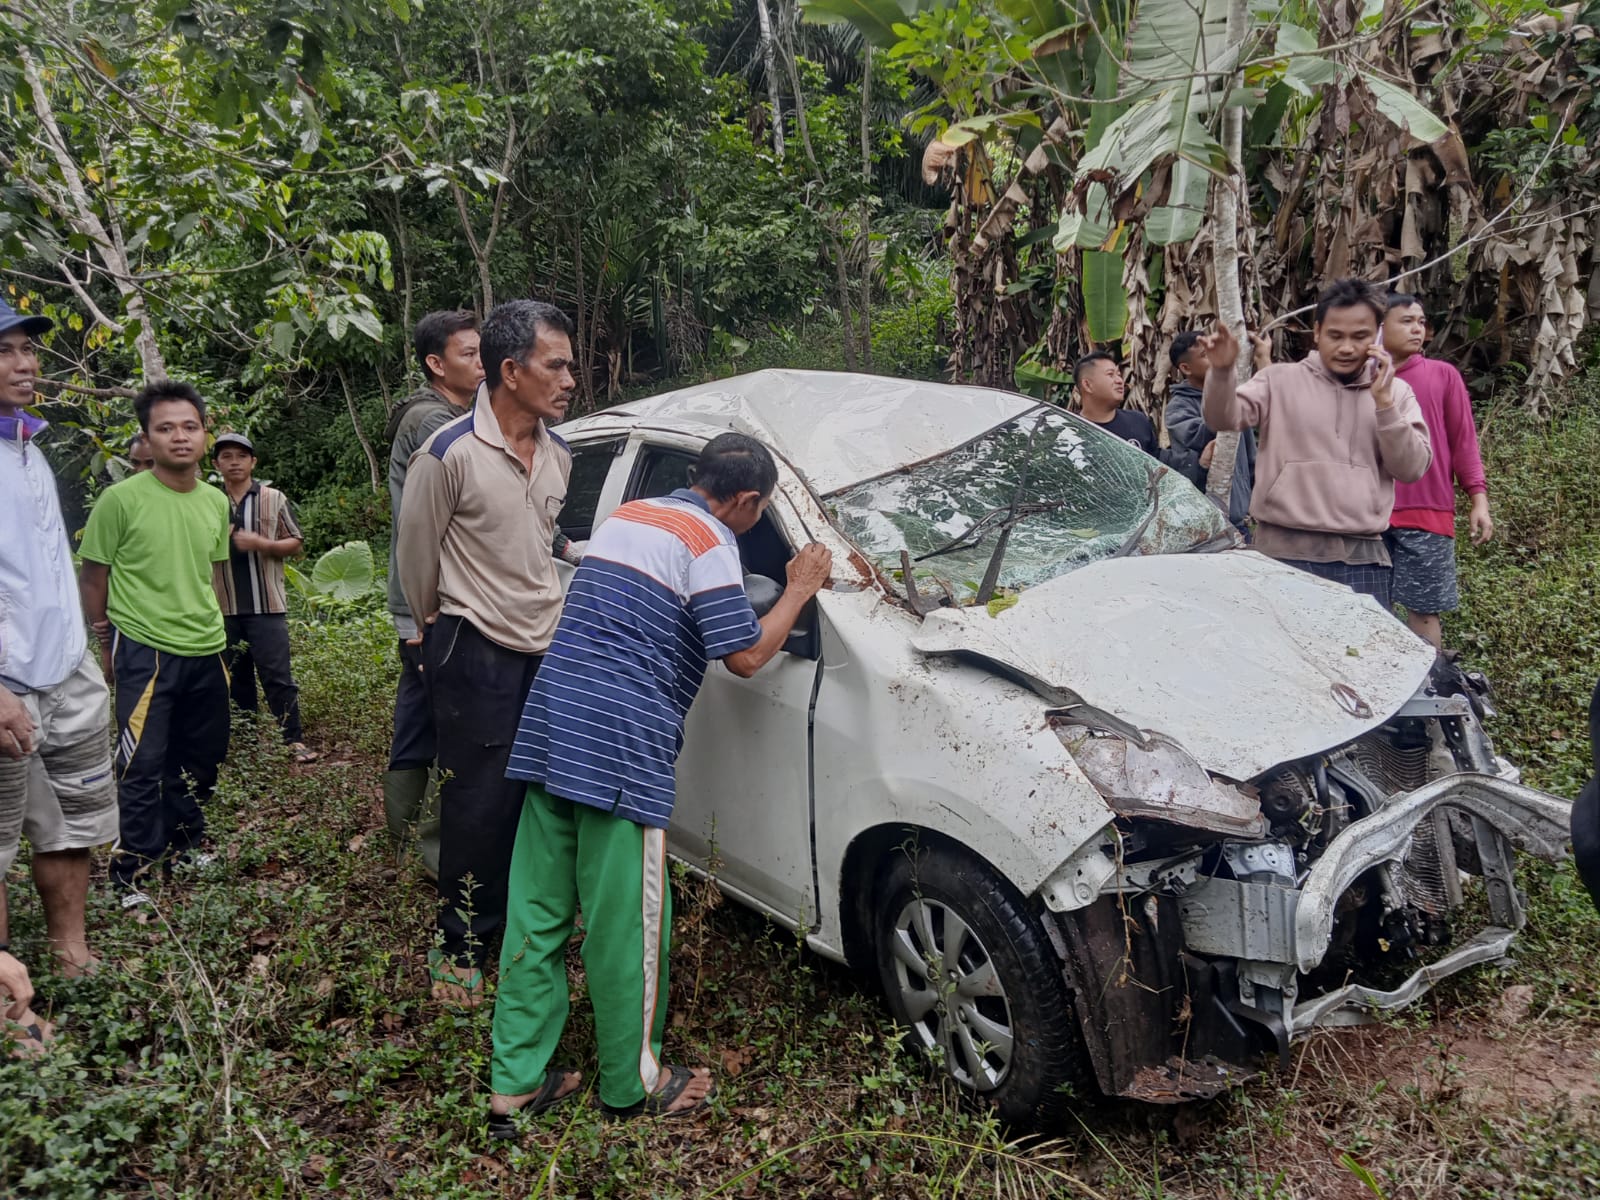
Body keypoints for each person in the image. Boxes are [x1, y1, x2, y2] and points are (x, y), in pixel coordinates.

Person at [488, 433, 833, 1130]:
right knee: (628, 927)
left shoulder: (630, 516)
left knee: (537, 913)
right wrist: (797, 588)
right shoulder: (710, 540)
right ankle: (633, 1085)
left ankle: (515, 1084)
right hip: (621, 745)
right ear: (748, 502)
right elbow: (743, 657)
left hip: (554, 723)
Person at [397, 299, 575, 1003]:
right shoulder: (447, 455)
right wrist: (438, 629)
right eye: (555, 365)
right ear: (511, 370)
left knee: (536, 797)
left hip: (545, 646)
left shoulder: (559, 453)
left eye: (569, 365)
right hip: (473, 646)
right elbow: (416, 561)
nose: (569, 380)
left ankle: (522, 927)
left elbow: (539, 545)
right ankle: (461, 944)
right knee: (476, 803)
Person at [0, 299, 117, 1015]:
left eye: (27, 349)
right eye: (6, 351)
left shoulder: (29, 445)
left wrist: (80, 652)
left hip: (63, 666)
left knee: (73, 819)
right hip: (7, 680)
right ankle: (11, 1008)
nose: (25, 364)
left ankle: (71, 952)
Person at [80, 380, 232, 895]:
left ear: (205, 434)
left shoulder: (215, 501)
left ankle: (186, 848)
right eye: (165, 428)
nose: (180, 437)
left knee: (200, 758)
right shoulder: (119, 501)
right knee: (142, 765)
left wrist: (219, 630)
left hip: (207, 648)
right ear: (146, 438)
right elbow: (93, 577)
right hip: (145, 648)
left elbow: (211, 573)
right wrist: (105, 644)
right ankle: (132, 872)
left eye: (190, 426)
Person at [1200, 278, 1433, 607]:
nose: (1347, 347)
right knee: (1278, 658)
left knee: (1360, 659)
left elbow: (1411, 468)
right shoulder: (1278, 380)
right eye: (1336, 336)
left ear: (1377, 335)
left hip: (1363, 558)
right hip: (1280, 553)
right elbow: (1223, 418)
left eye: (1360, 336)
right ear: (1318, 332)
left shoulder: (1395, 393)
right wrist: (1222, 372)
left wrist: (1384, 405)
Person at [383, 310, 481, 874]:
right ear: (436, 364)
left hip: (421, 596)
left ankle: (403, 835)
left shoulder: (444, 417)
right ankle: (436, 853)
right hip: (432, 600)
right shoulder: (433, 424)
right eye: (469, 354)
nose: (483, 363)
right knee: (448, 717)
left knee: (420, 710)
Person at [1380, 294, 1493, 647]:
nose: (1418, 329)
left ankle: (1428, 691)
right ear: (1379, 327)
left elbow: (1463, 442)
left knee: (1425, 611)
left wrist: (1479, 500)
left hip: (1427, 513)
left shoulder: (1442, 375)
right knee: (1366, 607)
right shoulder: (1356, 378)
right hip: (1366, 513)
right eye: (1407, 321)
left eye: (1421, 322)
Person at [212, 433, 315, 761]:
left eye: (241, 456)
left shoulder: (273, 498)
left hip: (267, 605)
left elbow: (295, 541)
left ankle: (294, 741)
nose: (234, 462)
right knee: (235, 679)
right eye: (226, 457)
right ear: (216, 464)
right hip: (223, 606)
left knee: (278, 676)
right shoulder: (208, 501)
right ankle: (248, 745)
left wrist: (262, 544)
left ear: (253, 462)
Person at [1164, 329, 1269, 533]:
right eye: (1205, 355)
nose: (1214, 358)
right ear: (1186, 368)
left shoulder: (1235, 400)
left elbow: (1251, 459)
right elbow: (1198, 436)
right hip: (1204, 525)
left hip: (1239, 520)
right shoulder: (1179, 407)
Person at [1073, 352, 1200, 479]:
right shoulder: (1071, 432)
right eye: (1110, 375)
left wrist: (1200, 461)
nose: (1119, 380)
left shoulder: (1137, 421)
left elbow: (1157, 462)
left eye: (1118, 374)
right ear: (1087, 385)